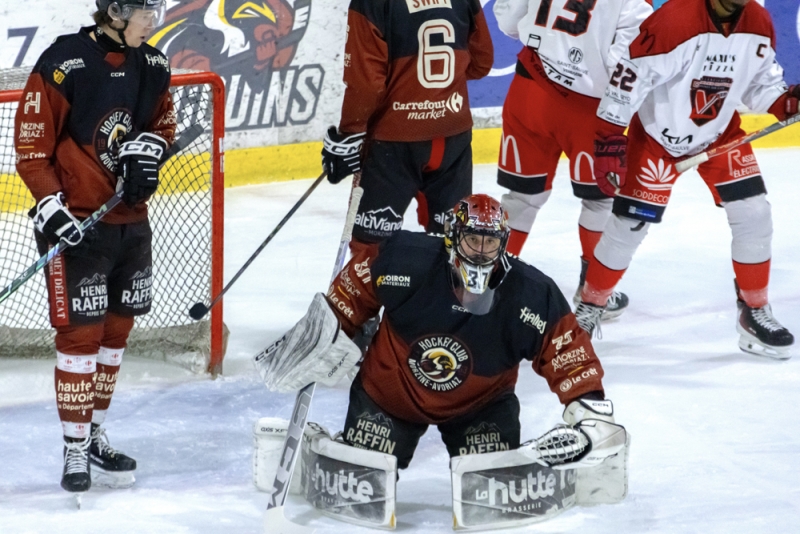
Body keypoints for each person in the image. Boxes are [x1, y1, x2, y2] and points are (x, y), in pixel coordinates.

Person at [257, 194, 623, 472]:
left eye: (490, 242)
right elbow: (354, 286)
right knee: (362, 477)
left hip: (480, 407)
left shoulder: (530, 293)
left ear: (504, 242)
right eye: (472, 240)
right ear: (452, 237)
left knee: (491, 484)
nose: (481, 252)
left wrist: (589, 413)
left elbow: (567, 351)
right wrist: (327, 329)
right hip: (390, 396)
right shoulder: (404, 259)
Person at [14, 0, 174, 494]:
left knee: (116, 334)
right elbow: (31, 147)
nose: (154, 19)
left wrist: (149, 152)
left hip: (130, 224)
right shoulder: (65, 63)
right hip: (77, 226)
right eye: (145, 11)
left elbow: (163, 127)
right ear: (115, 12)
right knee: (80, 340)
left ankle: (95, 430)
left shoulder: (153, 63)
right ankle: (75, 446)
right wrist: (51, 205)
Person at [575, 0, 795, 357]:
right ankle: (589, 308)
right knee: (628, 227)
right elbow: (628, 79)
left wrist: (785, 101)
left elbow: (760, 85)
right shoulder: (675, 19)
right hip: (657, 139)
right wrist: (610, 139)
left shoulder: (759, 21)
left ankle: (754, 311)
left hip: (719, 134)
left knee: (755, 215)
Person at [491, 0, 653, 320]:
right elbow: (622, 66)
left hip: (529, 93)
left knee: (521, 197)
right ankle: (592, 291)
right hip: (588, 113)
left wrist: (554, 47)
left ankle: (490, 282)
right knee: (599, 203)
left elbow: (508, 19)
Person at [321, 0, 494, 260]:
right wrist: (435, 94)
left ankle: (357, 301)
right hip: (453, 138)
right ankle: (442, 301)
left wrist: (350, 135)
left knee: (371, 246)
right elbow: (482, 61)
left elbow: (365, 83)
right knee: (451, 242)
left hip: (393, 143)